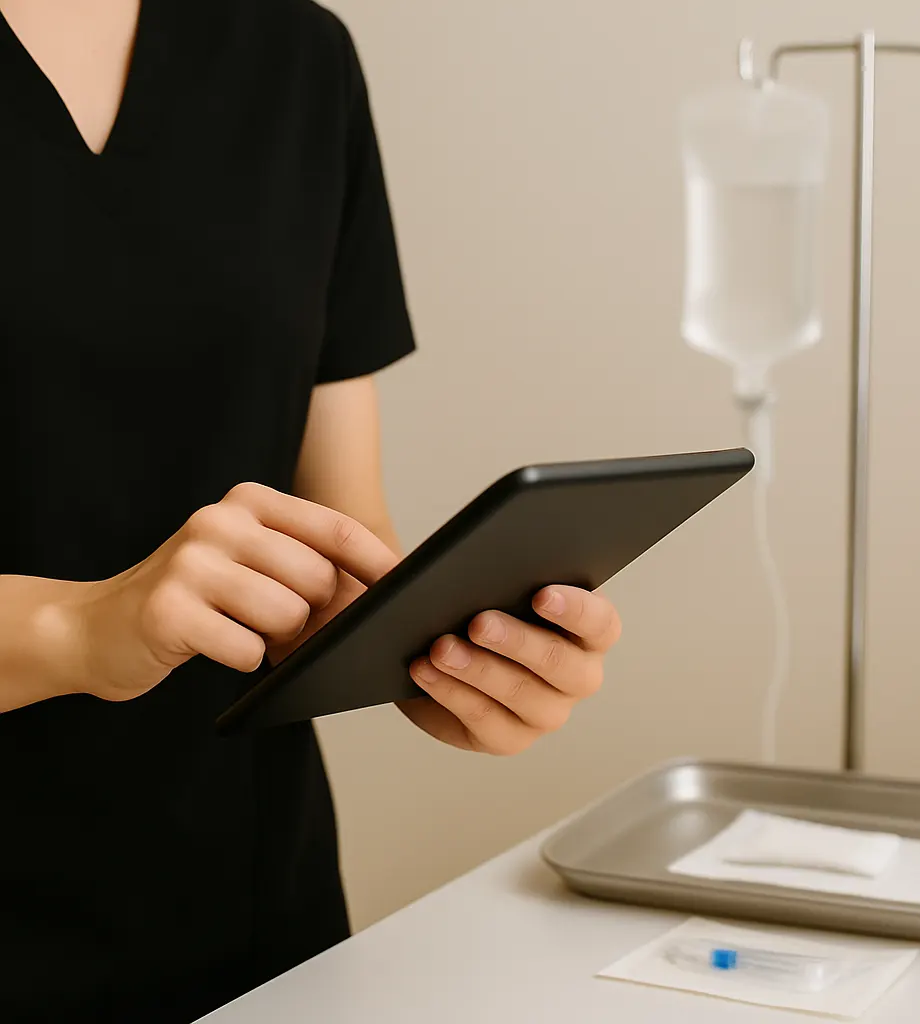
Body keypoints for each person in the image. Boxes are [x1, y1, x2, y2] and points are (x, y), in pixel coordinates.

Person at [0, 0, 623, 1021]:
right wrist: (82, 630)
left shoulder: (298, 57)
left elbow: (342, 545)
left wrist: (450, 658)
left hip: (250, 932)